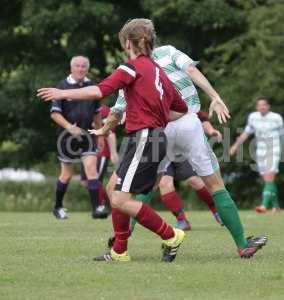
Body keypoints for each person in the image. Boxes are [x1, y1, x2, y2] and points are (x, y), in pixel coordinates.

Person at [103, 19, 267, 259]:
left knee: (139, 188)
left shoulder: (130, 68)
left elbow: (119, 108)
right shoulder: (169, 52)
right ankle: (242, 244)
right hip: (188, 123)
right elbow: (191, 70)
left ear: (129, 43)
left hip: (157, 130)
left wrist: (106, 127)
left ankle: (120, 242)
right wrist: (215, 96)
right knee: (215, 185)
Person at [38, 19, 189, 263]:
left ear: (128, 43)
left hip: (146, 138)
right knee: (111, 189)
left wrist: (62, 93)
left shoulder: (132, 67)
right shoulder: (158, 71)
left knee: (120, 199)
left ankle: (171, 235)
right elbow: (181, 109)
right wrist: (153, 118)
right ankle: (119, 251)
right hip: (147, 137)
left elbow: (99, 91)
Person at [49, 55, 108, 220]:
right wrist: (69, 127)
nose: (80, 69)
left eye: (83, 66)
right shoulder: (62, 86)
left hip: (88, 137)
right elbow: (54, 114)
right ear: (71, 68)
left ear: (87, 69)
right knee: (66, 174)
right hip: (66, 139)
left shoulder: (92, 87)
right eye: (77, 66)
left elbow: (97, 114)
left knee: (91, 169)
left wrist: (101, 134)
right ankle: (58, 207)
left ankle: (97, 208)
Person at [230, 97, 284, 213]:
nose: (262, 107)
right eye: (260, 105)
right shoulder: (253, 117)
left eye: (264, 104)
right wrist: (235, 146)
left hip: (273, 149)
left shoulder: (276, 118)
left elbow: (283, 136)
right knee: (268, 180)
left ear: (268, 106)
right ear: (257, 107)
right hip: (260, 151)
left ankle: (264, 205)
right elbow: (246, 133)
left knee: (269, 177)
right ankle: (276, 206)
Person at [81, 104, 119, 208]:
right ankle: (111, 203)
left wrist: (113, 152)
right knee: (85, 182)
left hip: (101, 150)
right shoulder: (81, 107)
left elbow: (110, 132)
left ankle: (100, 205)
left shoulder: (105, 110)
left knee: (95, 179)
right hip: (87, 149)